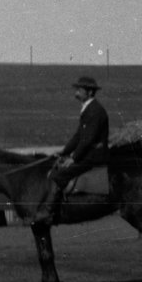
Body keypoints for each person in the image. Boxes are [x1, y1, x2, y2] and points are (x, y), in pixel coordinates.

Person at [38, 75, 109, 225]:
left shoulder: (95, 110)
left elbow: (87, 139)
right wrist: (63, 152)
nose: (76, 91)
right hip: (88, 155)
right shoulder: (88, 109)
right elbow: (78, 136)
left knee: (59, 175)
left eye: (79, 89)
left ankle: (49, 211)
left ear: (89, 92)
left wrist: (74, 158)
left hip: (93, 157)